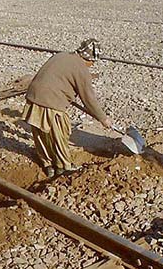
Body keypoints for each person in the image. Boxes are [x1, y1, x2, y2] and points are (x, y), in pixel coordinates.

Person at [23, 38, 113, 178]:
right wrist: (103, 119)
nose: (92, 65)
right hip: (51, 102)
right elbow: (89, 98)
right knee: (59, 136)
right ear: (89, 59)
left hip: (33, 96)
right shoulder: (81, 69)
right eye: (93, 62)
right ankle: (63, 167)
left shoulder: (62, 55)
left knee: (41, 134)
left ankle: (48, 164)